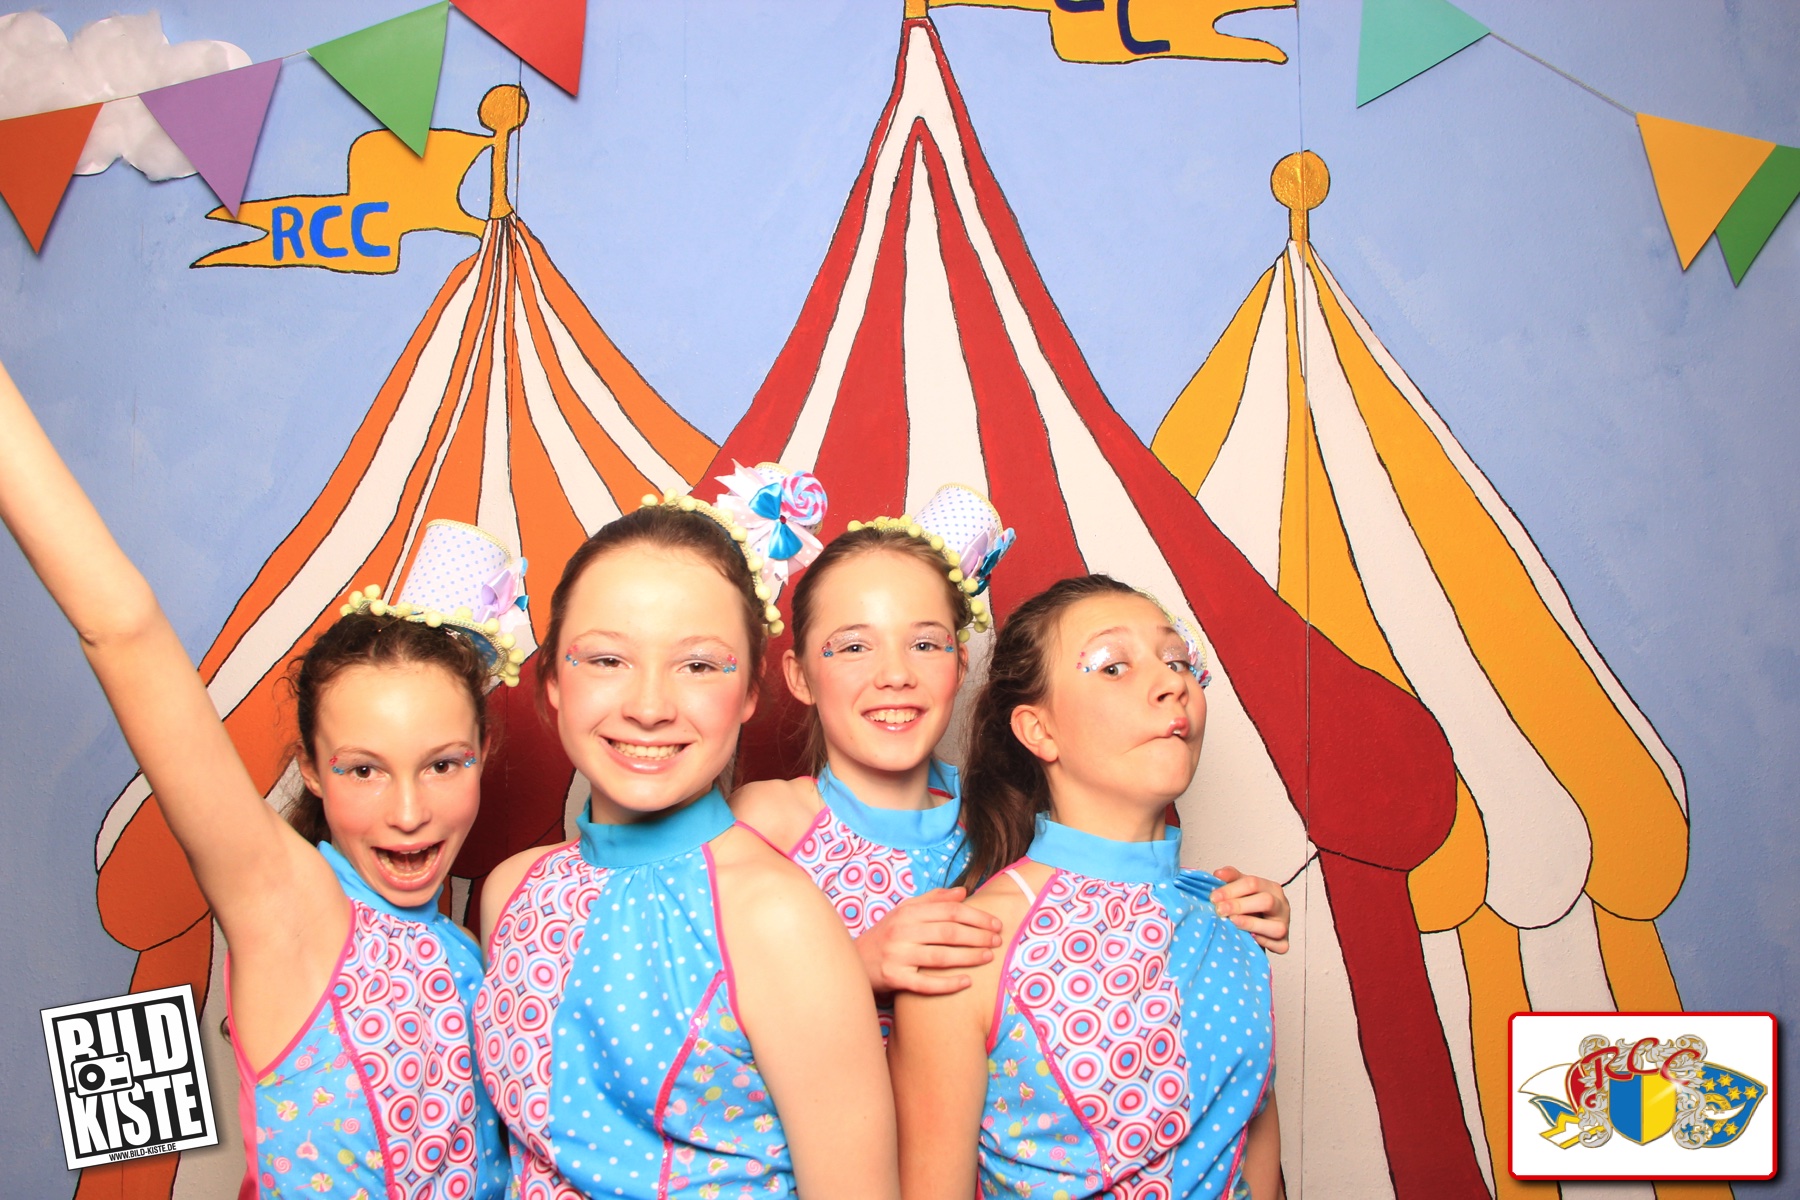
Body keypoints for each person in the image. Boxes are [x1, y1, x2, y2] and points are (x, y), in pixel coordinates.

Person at [0, 360, 513, 1199]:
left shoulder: (469, 950)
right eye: (364, 769)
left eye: (442, 764)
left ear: (483, 753)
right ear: (309, 767)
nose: (410, 811)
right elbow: (122, 629)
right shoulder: (293, 907)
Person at [474, 480, 898, 1200]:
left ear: (750, 692)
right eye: (606, 660)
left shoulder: (775, 917)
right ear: (552, 681)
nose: (649, 707)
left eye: (698, 665)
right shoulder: (512, 891)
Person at [730, 485, 1291, 1013]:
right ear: (800, 676)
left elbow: (1117, 913)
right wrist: (856, 967)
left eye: (925, 643)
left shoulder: (1005, 818)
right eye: (854, 647)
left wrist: (1223, 909)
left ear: (960, 665)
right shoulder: (769, 822)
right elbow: (701, 1006)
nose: (895, 674)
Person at [890, 574, 1282, 1200]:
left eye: (1177, 660)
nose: (1172, 683)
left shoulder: (1235, 922)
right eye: (1113, 666)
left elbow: (1257, 1163)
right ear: (1038, 730)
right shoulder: (972, 949)